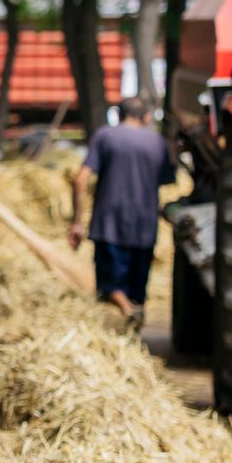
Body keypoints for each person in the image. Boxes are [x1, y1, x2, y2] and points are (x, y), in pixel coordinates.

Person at [68, 96, 177, 323]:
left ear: (119, 115)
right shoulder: (157, 142)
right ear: (146, 116)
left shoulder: (106, 136)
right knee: (137, 290)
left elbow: (80, 180)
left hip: (110, 225)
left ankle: (127, 310)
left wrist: (76, 222)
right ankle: (133, 319)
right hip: (145, 226)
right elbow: (167, 180)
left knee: (110, 287)